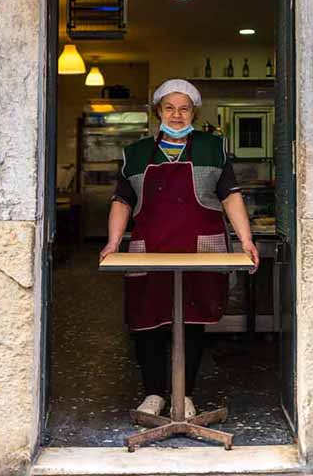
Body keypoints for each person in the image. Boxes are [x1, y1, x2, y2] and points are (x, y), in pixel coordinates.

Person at [100, 78, 259, 420]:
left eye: (184, 108)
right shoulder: (136, 153)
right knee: (148, 321)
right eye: (169, 108)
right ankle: (155, 393)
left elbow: (230, 195)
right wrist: (114, 242)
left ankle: (185, 394)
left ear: (194, 113)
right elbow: (122, 201)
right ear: (158, 111)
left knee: (192, 320)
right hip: (149, 247)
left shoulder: (213, 148)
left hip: (199, 248)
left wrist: (246, 239)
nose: (176, 115)